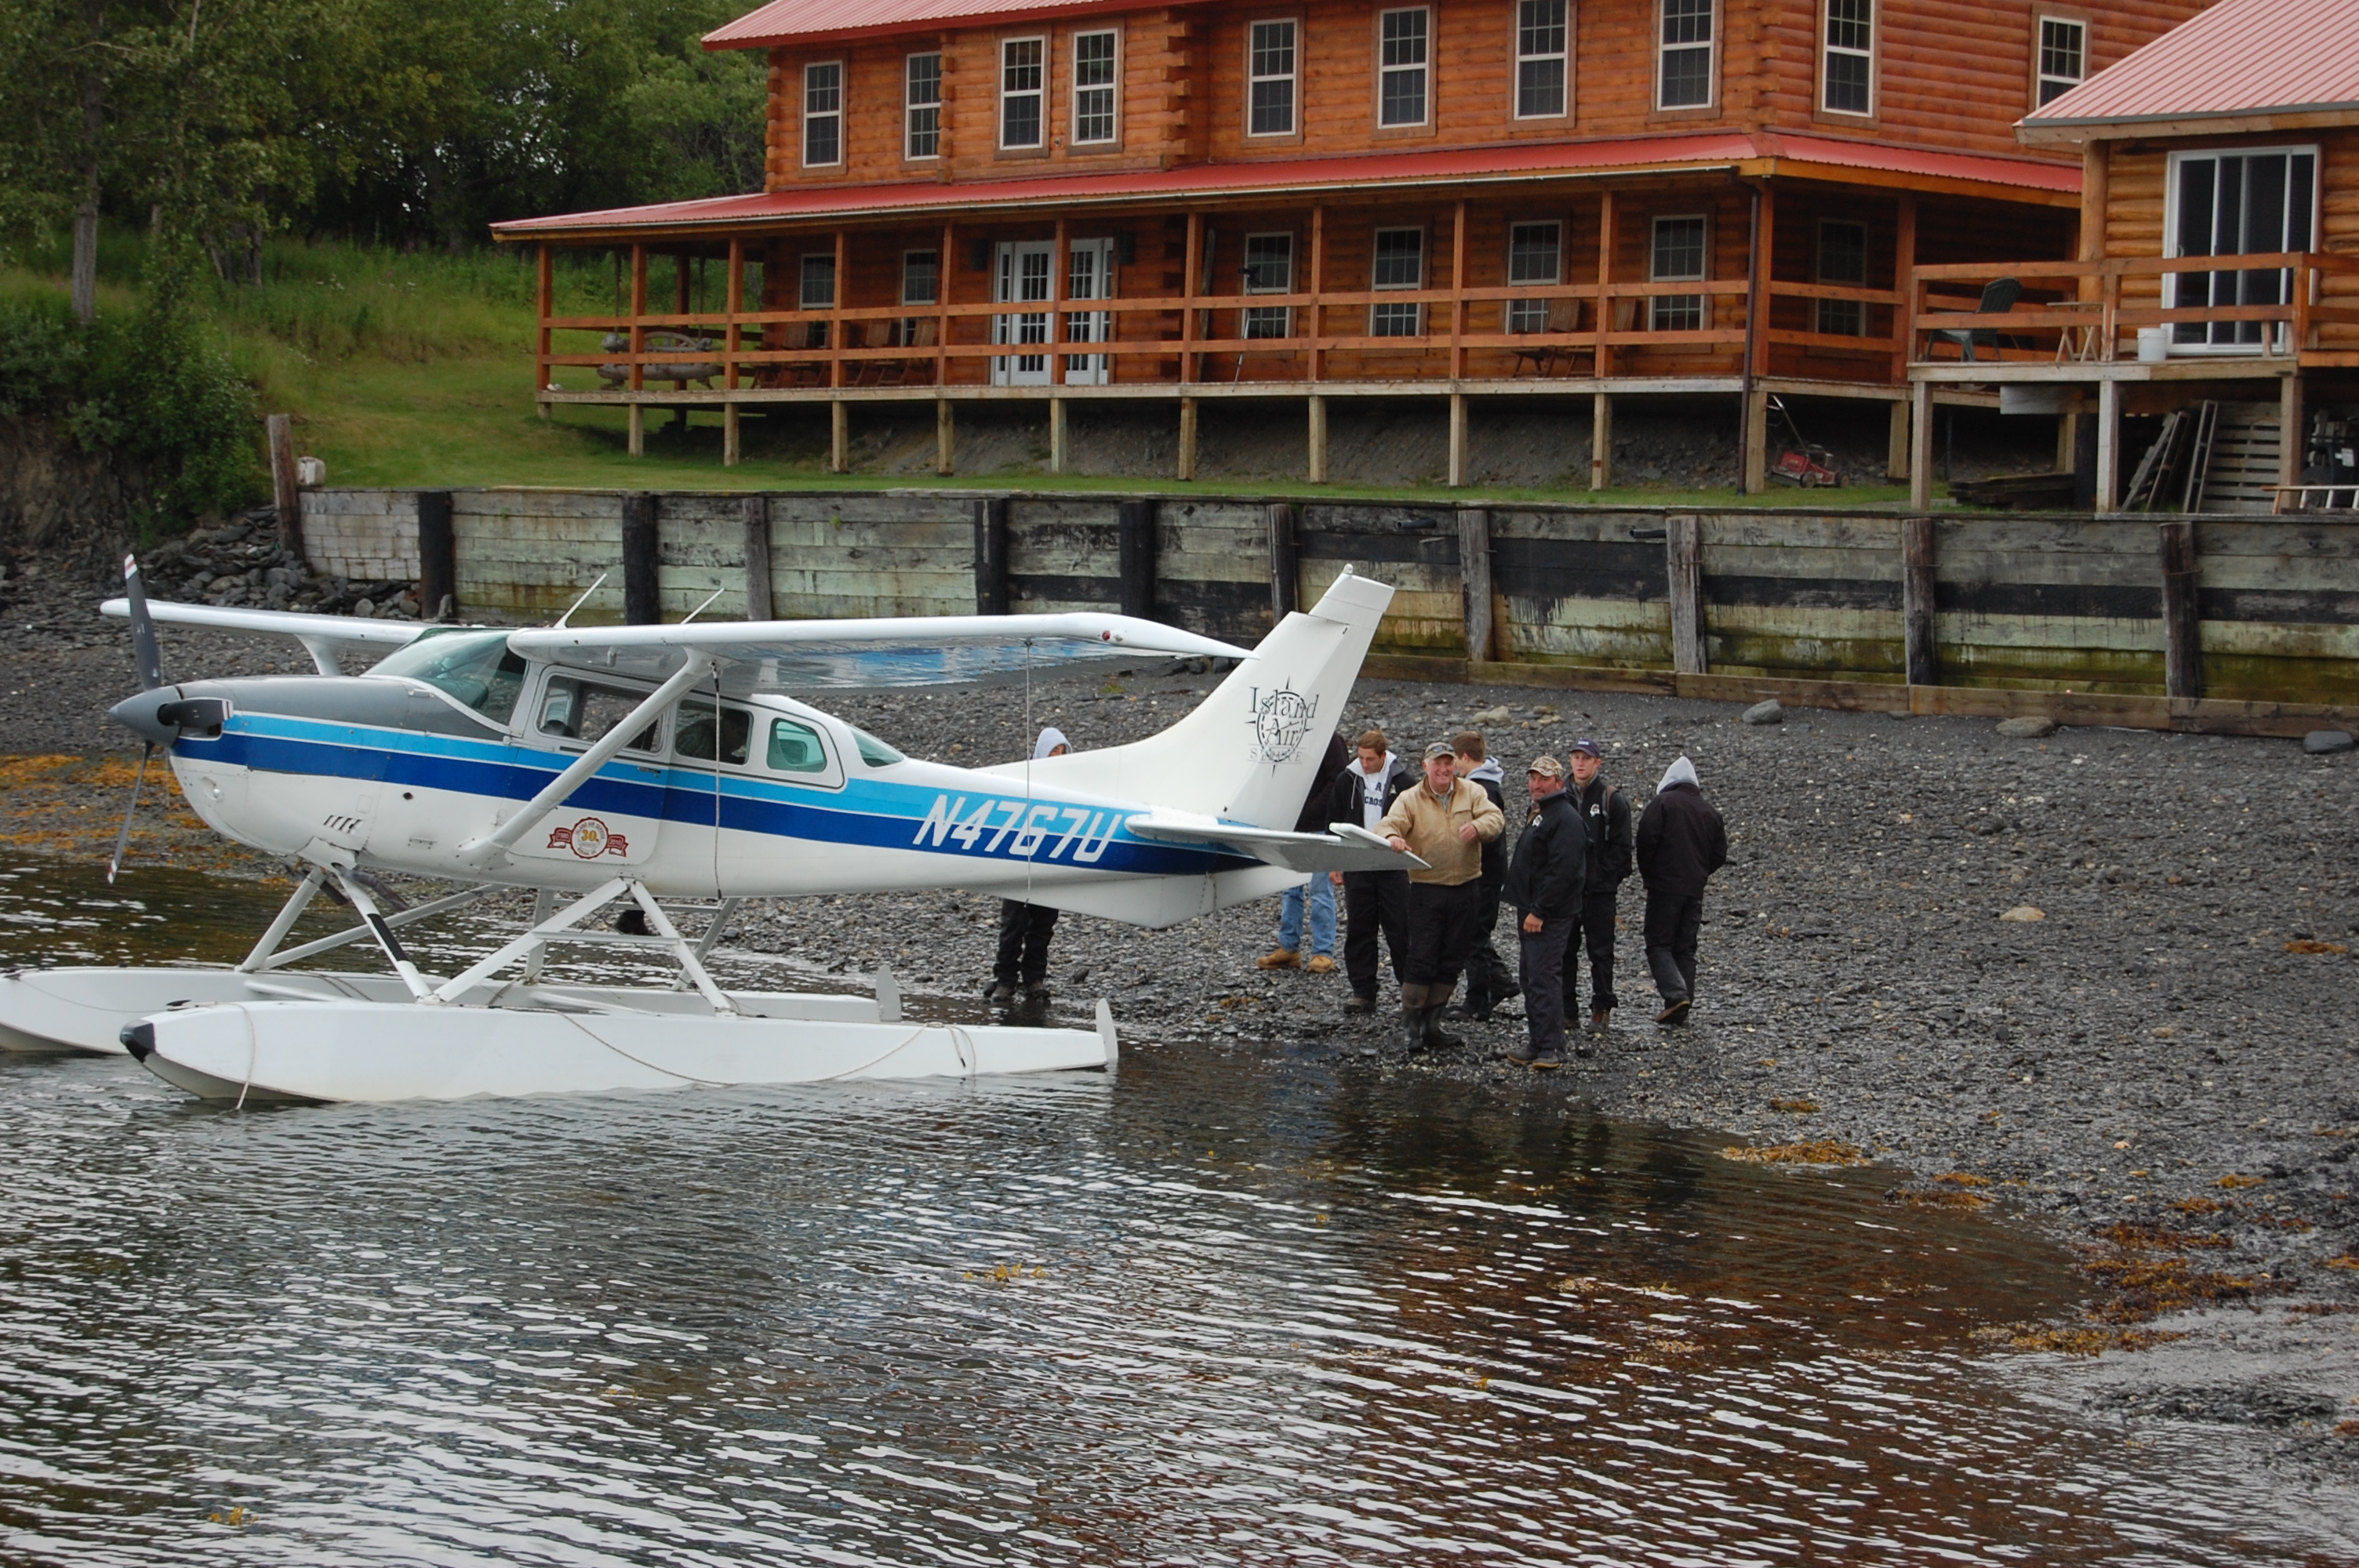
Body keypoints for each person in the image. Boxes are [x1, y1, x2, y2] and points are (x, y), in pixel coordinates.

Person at [1376, 741, 1504, 1051]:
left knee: (1452, 958)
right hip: (1426, 889)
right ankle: (1412, 1029)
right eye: (1438, 764)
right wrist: (1394, 838)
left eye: (1448, 763)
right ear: (1426, 766)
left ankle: (1433, 1025)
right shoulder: (1410, 798)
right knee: (1421, 959)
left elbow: (1496, 818)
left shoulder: (1472, 792)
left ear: (1455, 765)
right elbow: (1386, 826)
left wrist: (1478, 827)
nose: (1444, 769)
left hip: (1466, 888)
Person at [1501, 755, 1586, 1069]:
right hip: (1530, 907)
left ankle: (1553, 1048)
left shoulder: (1564, 817)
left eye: (1544, 779)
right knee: (1530, 976)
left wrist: (1540, 911)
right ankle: (1538, 1042)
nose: (1537, 784)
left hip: (1547, 913)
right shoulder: (1540, 812)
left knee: (1544, 977)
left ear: (1558, 783)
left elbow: (1564, 872)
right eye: (1533, 778)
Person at [1634, 755, 1727, 1025]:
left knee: (1658, 944)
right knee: (1685, 948)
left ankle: (1675, 995)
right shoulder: (1709, 812)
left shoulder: (1662, 804)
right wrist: (1699, 873)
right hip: (1694, 891)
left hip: (1664, 887)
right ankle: (1682, 1004)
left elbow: (1645, 840)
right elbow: (1719, 854)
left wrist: (1651, 874)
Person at [1331, 728, 1415, 1014]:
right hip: (1358, 863)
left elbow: (1417, 822)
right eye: (1361, 758)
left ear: (1383, 756)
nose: (1365, 764)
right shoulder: (1347, 780)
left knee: (1400, 928)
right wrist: (1336, 862)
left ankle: (1409, 990)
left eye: (1370, 759)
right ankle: (1363, 991)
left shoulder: (1403, 782)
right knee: (1359, 928)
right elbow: (1335, 822)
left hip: (1392, 864)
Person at [988, 727, 1071, 1005]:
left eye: (1062, 751)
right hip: (1020, 862)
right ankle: (1005, 980)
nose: (1057, 755)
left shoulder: (1070, 785)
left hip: (1050, 863)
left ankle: (1034, 979)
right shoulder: (1021, 779)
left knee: (1043, 926)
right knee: (1013, 923)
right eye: (1053, 750)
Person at [1260, 731, 1352, 975]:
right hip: (1291, 827)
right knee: (1290, 890)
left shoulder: (1331, 739)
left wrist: (1311, 809)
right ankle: (1289, 947)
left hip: (1319, 827)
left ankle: (1323, 953)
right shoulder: (1287, 738)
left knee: (1320, 890)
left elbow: (1339, 780)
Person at [1563, 738, 1634, 1036]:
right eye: (1576, 757)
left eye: (1586, 758)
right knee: (1565, 950)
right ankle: (1567, 1010)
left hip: (1599, 892)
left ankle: (1601, 1009)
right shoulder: (1560, 796)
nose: (1580, 763)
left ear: (1597, 763)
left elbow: (1621, 850)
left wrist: (1601, 880)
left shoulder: (1611, 800)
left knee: (1601, 952)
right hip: (1567, 890)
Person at [1448, 731, 1518, 1022]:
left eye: (1454, 760)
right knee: (1476, 933)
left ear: (1464, 758)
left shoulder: (1480, 789)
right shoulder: (1488, 784)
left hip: (1483, 873)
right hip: (1489, 872)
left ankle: (1478, 998)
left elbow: (1488, 833)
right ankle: (1497, 985)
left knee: (1473, 934)